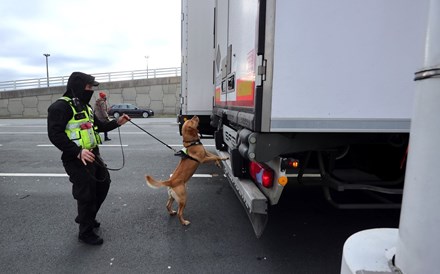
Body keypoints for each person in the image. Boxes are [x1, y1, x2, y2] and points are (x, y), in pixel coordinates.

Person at [47, 72, 130, 245]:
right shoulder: (60, 107)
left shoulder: (86, 107)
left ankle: (87, 216)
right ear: (77, 86)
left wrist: (118, 122)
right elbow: (54, 134)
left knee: (104, 184)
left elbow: (99, 127)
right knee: (86, 194)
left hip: (93, 154)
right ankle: (85, 232)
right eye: (88, 87)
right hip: (75, 158)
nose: (91, 90)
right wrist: (77, 151)